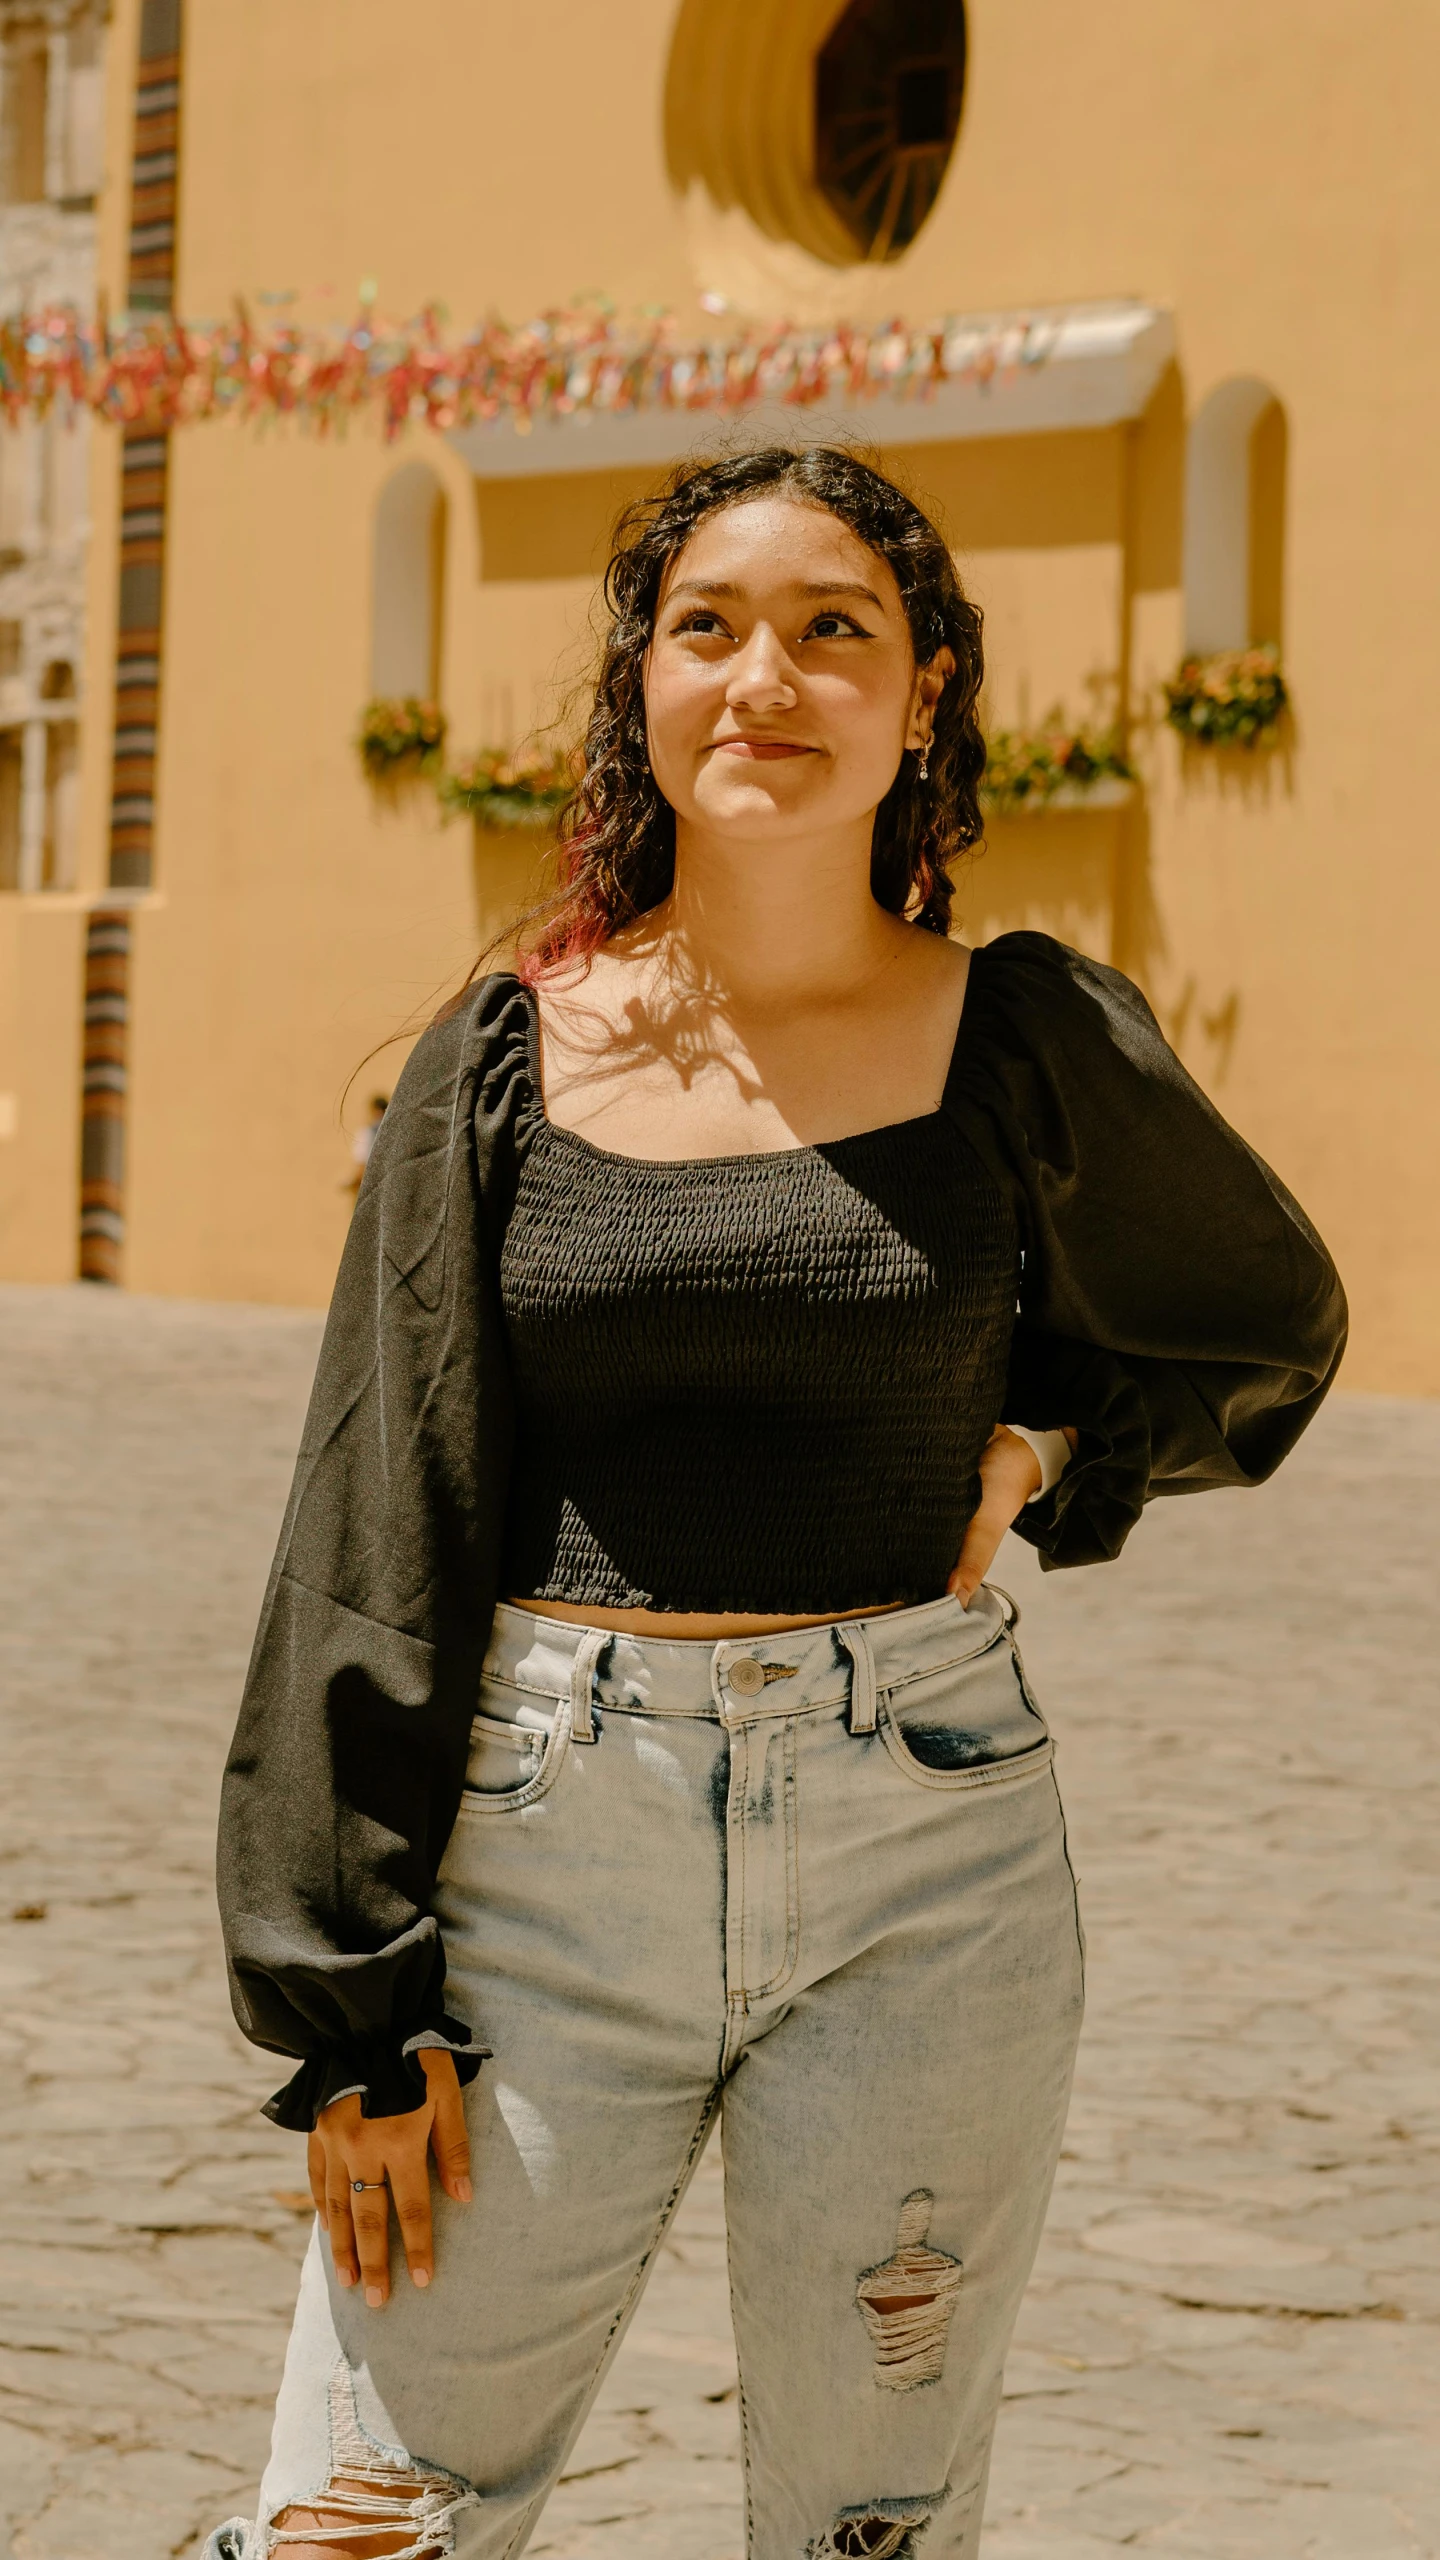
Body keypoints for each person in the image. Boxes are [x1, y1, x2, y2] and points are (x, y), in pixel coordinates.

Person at [205, 447, 1345, 2560]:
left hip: (934, 1857)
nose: (768, 674)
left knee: (872, 2526)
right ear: (639, 680)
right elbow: (379, 1509)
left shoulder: (1021, 1038)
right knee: (362, 2521)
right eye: (709, 623)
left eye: (839, 627)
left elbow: (1264, 1316)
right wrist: (346, 1999)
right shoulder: (506, 1060)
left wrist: (1046, 1448)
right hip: (550, 1858)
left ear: (923, 699)